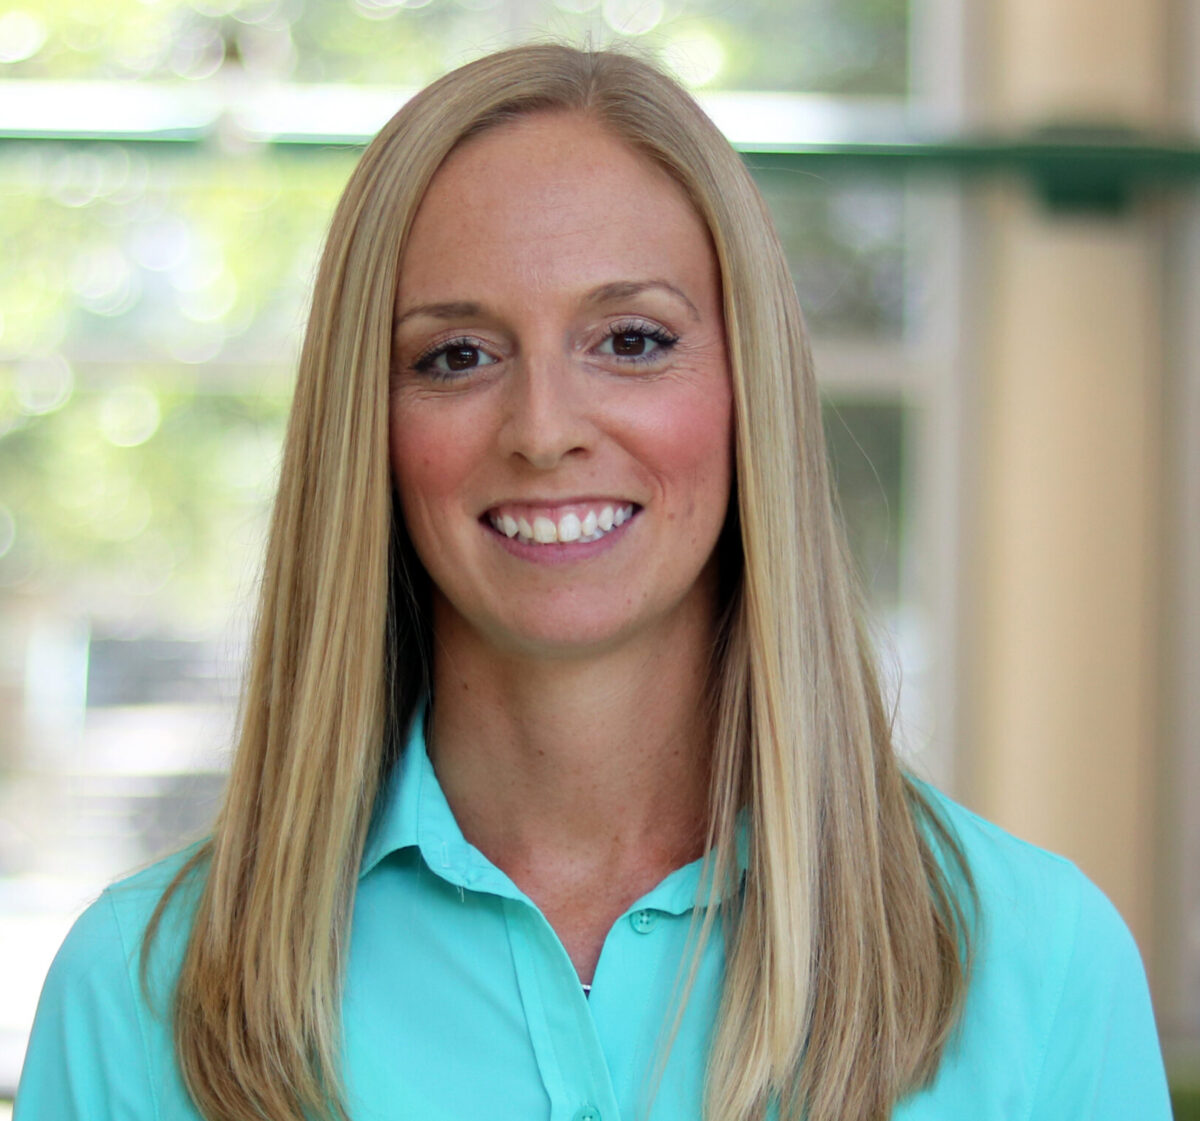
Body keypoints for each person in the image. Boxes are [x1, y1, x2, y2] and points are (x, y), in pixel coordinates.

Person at [15, 43, 1172, 1121]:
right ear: (367, 428)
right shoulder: (139, 991)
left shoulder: (1039, 961)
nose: (544, 427)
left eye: (630, 339)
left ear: (747, 390)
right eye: (455, 356)